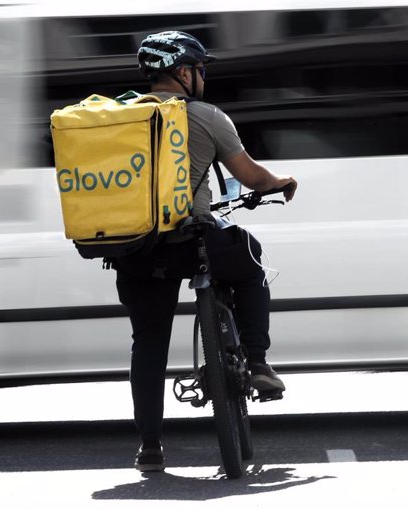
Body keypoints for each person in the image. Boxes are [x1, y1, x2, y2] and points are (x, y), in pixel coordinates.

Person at [115, 31, 298, 472]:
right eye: (199, 69)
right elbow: (251, 176)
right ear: (181, 72)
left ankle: (150, 446)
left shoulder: (119, 118)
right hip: (192, 243)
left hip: (137, 250)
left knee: (149, 343)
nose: (202, 77)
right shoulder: (206, 117)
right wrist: (280, 184)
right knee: (249, 256)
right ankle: (256, 361)